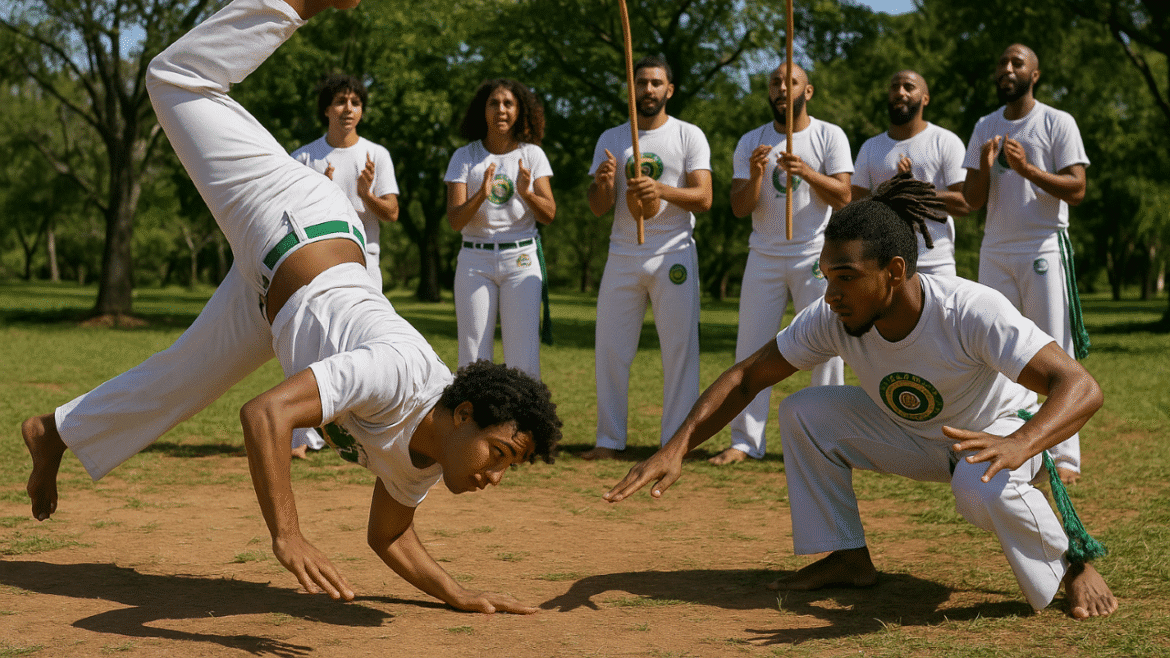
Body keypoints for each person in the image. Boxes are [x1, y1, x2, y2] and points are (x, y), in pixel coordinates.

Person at [21, 0, 562, 614]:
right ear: (463, 414)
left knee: (183, 381)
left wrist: (457, 594)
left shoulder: (429, 458)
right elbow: (264, 416)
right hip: (294, 221)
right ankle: (301, 3)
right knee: (174, 79)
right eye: (500, 456)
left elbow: (389, 535)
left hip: (273, 302)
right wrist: (289, 535)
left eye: (507, 465)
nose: (495, 476)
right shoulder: (396, 373)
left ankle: (55, 431)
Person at [604, 174, 1117, 619]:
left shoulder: (969, 310)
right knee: (805, 411)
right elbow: (747, 377)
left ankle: (1073, 563)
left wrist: (1021, 443)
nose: (831, 294)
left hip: (992, 435)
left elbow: (1080, 387)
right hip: (915, 436)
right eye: (827, 277)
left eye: (846, 277)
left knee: (980, 487)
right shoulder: (834, 318)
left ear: (894, 271)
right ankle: (847, 557)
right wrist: (676, 448)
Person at [709, 62, 851, 466]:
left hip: (813, 255)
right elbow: (739, 207)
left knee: (827, 344)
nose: (782, 89)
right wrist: (755, 175)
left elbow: (844, 195)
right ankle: (745, 441)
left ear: (808, 91)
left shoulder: (829, 135)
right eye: (775, 83)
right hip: (765, 256)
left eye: (792, 83)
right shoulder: (751, 141)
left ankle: (827, 439)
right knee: (752, 348)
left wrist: (806, 171)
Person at [962, 44, 1089, 485]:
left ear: (1035, 74)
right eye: (1002, 63)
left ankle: (1065, 455)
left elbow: (1077, 188)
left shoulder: (1057, 122)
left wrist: (1028, 169)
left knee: (1055, 347)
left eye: (1017, 63)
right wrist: (982, 166)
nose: (1008, 68)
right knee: (998, 349)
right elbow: (972, 200)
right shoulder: (985, 125)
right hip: (996, 249)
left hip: (1042, 247)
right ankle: (1014, 440)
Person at [581, 55, 713, 461]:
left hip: (672, 252)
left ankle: (675, 440)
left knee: (679, 349)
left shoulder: (689, 135)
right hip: (622, 253)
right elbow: (598, 207)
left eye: (657, 83)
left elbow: (704, 197)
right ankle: (609, 440)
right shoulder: (613, 137)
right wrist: (605, 184)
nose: (649, 90)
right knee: (611, 349)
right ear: (631, 89)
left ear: (669, 90)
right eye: (641, 83)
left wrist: (661, 190)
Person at [445, 79, 556, 379]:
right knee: (473, 356)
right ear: (483, 111)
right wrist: (481, 192)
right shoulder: (464, 157)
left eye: (509, 104)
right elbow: (455, 220)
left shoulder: (532, 155)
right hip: (474, 260)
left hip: (520, 258)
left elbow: (549, 213)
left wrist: (527, 193)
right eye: (493, 103)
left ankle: (524, 425)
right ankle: (473, 424)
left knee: (523, 356)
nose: (501, 110)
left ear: (520, 111)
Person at [852, 70, 970, 276]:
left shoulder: (945, 141)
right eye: (894, 87)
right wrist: (889, 195)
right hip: (884, 262)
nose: (900, 92)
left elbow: (964, 203)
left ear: (925, 98)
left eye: (909, 87)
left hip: (935, 262)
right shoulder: (871, 147)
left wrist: (912, 192)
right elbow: (854, 203)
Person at [291, 73, 400, 287]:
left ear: (361, 111)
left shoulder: (377, 155)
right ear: (326, 110)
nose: (349, 108)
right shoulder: (302, 158)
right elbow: (290, 214)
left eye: (356, 103)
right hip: (317, 260)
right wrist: (321, 194)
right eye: (340, 102)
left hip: (365, 260)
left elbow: (392, 213)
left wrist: (366, 195)